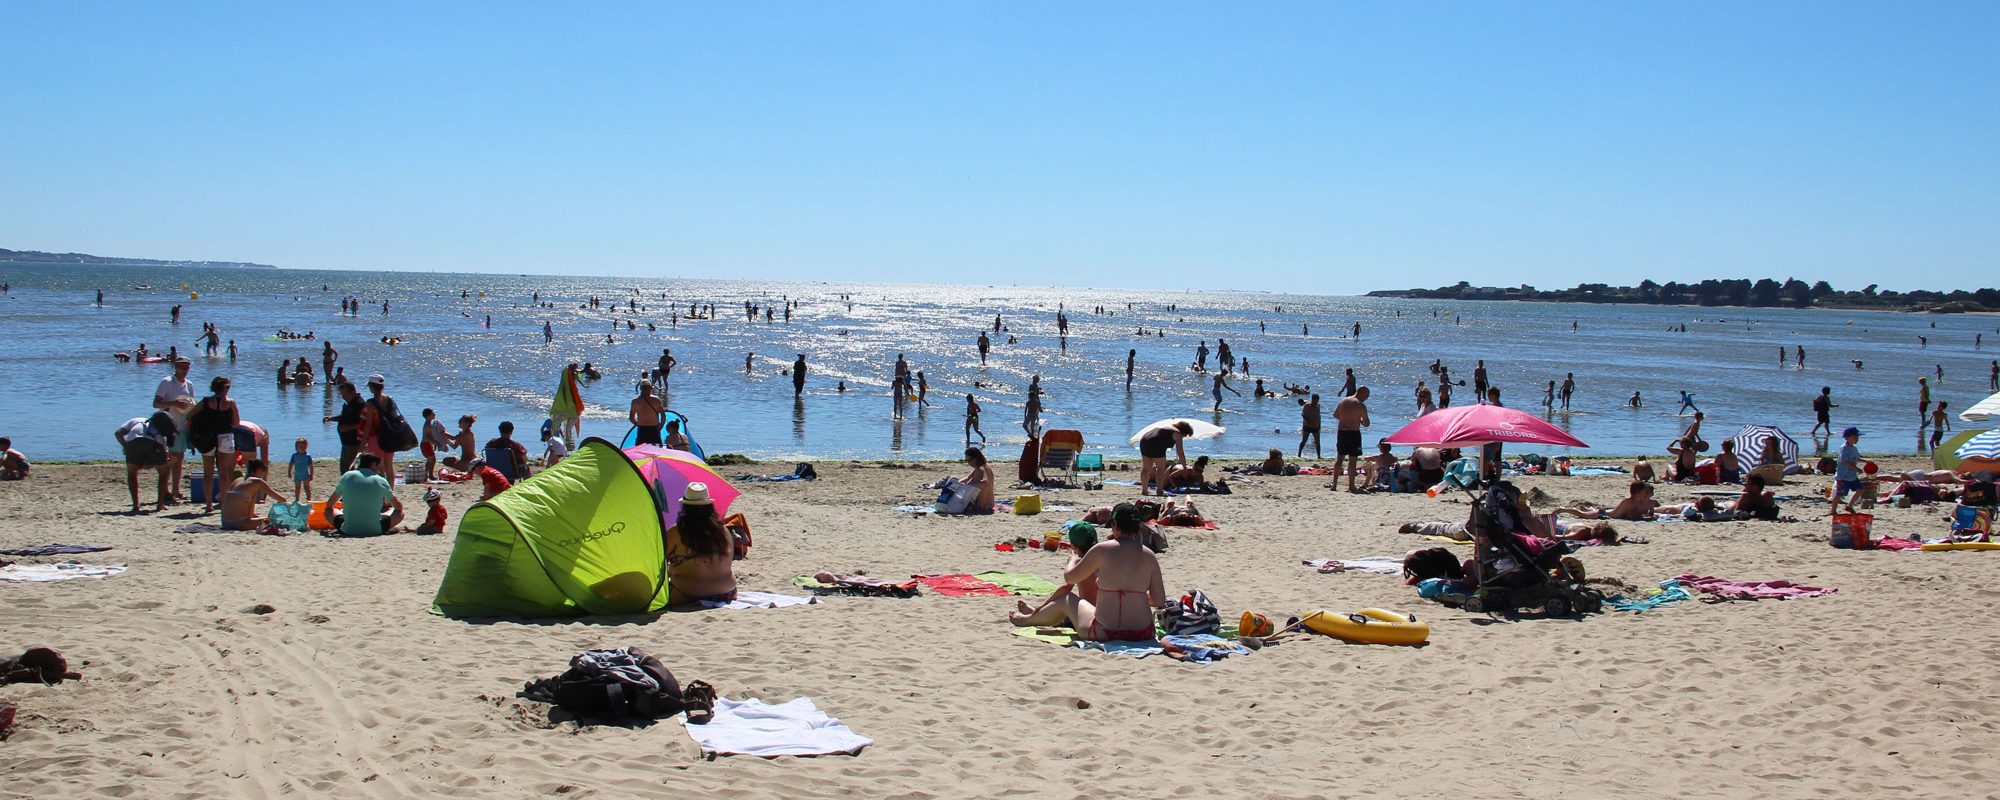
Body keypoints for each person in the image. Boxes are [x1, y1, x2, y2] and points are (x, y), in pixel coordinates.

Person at [1008, 503, 1166, 642]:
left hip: (1104, 632)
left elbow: (1070, 578)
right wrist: (1134, 594)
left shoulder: (1102, 549)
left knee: (1067, 599)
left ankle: (1028, 620)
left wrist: (1072, 561)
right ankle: (1034, 615)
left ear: (1115, 525)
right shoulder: (1149, 555)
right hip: (1143, 633)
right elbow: (1158, 600)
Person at [666, 483, 738, 608]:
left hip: (688, 594)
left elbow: (659, 562)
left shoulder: (677, 531)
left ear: (685, 507)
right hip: (727, 593)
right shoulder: (723, 530)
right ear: (709, 506)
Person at [188, 376, 240, 513]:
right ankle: (224, 502)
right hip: (225, 436)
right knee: (224, 472)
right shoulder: (230, 403)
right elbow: (236, 423)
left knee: (208, 472)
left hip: (207, 437)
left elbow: (190, 416)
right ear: (225, 388)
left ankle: (209, 504)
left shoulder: (206, 402)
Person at [153, 358, 196, 503]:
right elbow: (156, 403)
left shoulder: (189, 384)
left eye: (187, 368)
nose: (184, 370)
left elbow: (191, 405)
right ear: (176, 367)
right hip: (168, 426)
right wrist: (174, 403)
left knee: (179, 458)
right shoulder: (167, 382)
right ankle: (165, 491)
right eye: (182, 367)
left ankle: (176, 490)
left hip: (182, 425)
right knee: (169, 458)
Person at [115, 413, 176, 513]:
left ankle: (136, 505)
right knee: (163, 474)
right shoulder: (160, 435)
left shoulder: (136, 420)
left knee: (132, 474)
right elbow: (161, 458)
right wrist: (167, 462)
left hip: (133, 443)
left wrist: (125, 446)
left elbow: (118, 433)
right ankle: (160, 504)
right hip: (154, 444)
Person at [360, 376, 406, 486]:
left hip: (376, 438)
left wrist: (362, 442)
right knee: (389, 468)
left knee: (375, 467)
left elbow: (368, 424)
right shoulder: (390, 400)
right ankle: (389, 495)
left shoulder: (371, 403)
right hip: (390, 436)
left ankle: (379, 493)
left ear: (372, 387)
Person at [219, 460, 288, 531]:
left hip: (225, 522)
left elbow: (250, 514)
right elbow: (282, 500)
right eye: (263, 470)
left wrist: (255, 516)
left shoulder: (238, 480)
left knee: (265, 519)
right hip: (239, 523)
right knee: (277, 520)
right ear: (258, 470)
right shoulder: (257, 481)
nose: (264, 473)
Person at [1137, 421, 1193, 497]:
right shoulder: (1177, 433)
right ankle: (1159, 491)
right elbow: (1180, 452)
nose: (1183, 437)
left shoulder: (1166, 426)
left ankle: (1144, 490)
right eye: (1185, 435)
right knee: (1160, 469)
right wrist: (1184, 466)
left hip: (1145, 440)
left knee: (1146, 468)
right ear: (1183, 431)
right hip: (1156, 444)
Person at [1333, 387, 1372, 493]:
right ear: (1361, 393)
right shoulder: (1360, 405)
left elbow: (1336, 415)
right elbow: (1367, 423)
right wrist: (1357, 420)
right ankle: (1351, 486)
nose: (1367, 398)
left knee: (1339, 458)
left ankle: (1334, 484)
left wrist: (1346, 418)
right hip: (1353, 433)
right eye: (1367, 395)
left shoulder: (1343, 401)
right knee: (1352, 460)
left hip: (1342, 432)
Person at [324, 381, 365, 474]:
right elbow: (344, 417)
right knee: (344, 469)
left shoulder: (360, 404)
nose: (343, 397)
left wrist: (349, 428)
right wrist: (331, 418)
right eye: (342, 394)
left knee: (352, 470)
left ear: (353, 392)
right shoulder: (348, 403)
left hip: (355, 443)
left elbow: (365, 423)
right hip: (346, 443)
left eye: (345, 394)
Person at [1836, 427, 1864, 513]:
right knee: (1840, 494)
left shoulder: (1854, 448)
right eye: (1854, 437)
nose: (1856, 439)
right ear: (1847, 438)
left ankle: (1849, 506)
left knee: (1860, 490)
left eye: (1857, 437)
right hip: (1843, 476)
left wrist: (1867, 462)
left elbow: (1857, 458)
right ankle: (1833, 510)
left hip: (1852, 475)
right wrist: (1857, 469)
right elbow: (1846, 462)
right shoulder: (1844, 448)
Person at [959, 447, 995, 514]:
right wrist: (958, 483)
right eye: (967, 460)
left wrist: (968, 485)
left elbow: (985, 483)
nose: (969, 463)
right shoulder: (982, 466)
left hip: (983, 506)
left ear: (976, 458)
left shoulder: (981, 468)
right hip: (989, 504)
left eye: (970, 460)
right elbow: (968, 477)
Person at [420, 408, 450, 482]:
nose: (434, 415)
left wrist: (434, 443)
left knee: (430, 460)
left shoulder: (429, 424)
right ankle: (430, 475)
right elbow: (427, 436)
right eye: (432, 414)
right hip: (425, 444)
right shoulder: (427, 425)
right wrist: (435, 443)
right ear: (427, 416)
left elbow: (431, 436)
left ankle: (427, 475)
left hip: (427, 444)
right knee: (432, 459)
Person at [1298, 394, 1322, 458]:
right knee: (1304, 441)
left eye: (1317, 400)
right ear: (1312, 400)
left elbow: (1319, 417)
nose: (1316, 402)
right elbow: (1303, 415)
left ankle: (1319, 456)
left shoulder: (1318, 406)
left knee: (1317, 442)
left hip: (1316, 427)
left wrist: (1319, 425)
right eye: (1315, 400)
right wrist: (1308, 422)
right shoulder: (1307, 406)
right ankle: (1299, 454)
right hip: (1307, 426)